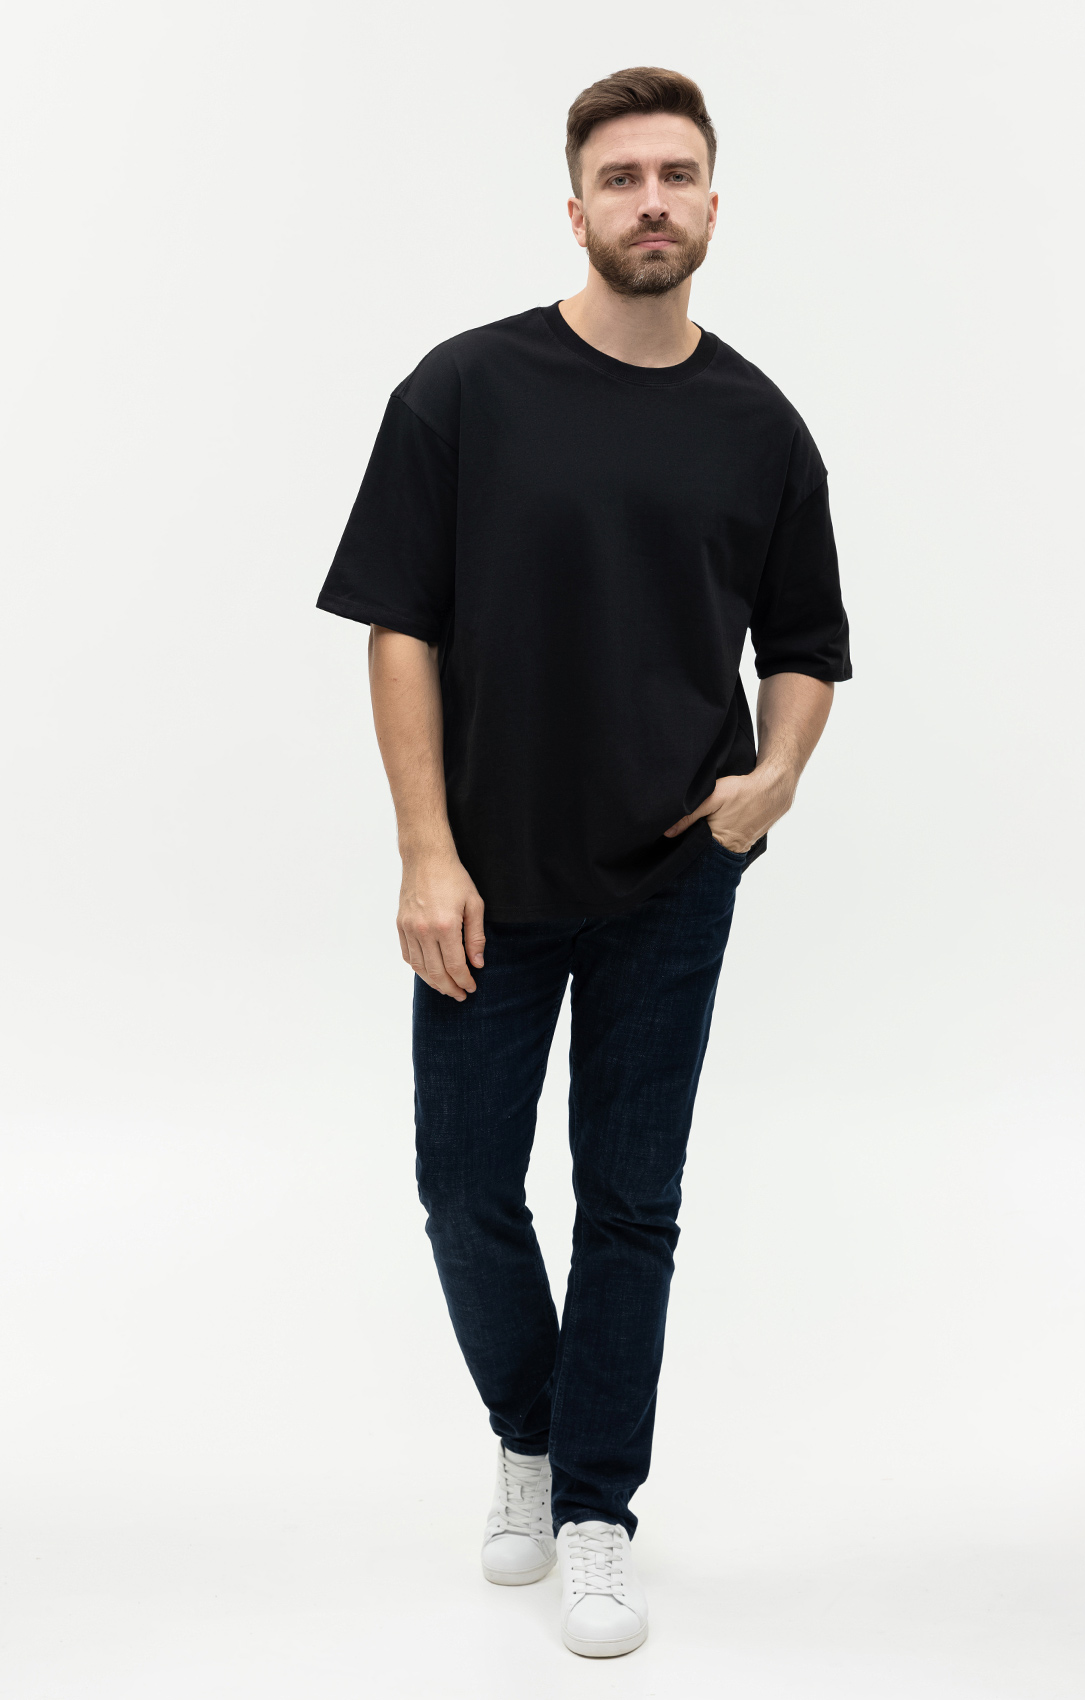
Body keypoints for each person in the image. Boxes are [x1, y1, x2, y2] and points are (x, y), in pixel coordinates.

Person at [317, 65, 850, 1658]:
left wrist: (774, 780)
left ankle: (598, 1510)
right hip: (484, 874)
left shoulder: (760, 425)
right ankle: (535, 1438)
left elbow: (806, 645)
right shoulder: (465, 391)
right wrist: (425, 852)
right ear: (575, 210)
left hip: (674, 879)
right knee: (465, 1190)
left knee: (630, 1204)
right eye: (622, 178)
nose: (651, 202)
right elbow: (397, 627)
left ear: (713, 205)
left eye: (676, 175)